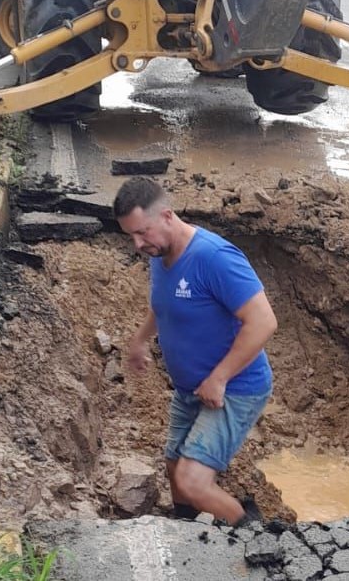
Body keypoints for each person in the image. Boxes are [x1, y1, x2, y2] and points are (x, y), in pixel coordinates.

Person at [114, 176, 277, 524]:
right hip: (190, 390)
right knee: (174, 464)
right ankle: (186, 531)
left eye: (142, 232)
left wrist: (219, 378)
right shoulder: (160, 253)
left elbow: (263, 322)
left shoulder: (214, 258)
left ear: (168, 216)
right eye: (131, 235)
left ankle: (256, 537)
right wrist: (141, 339)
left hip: (235, 388)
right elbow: (163, 304)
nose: (137, 244)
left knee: (191, 480)